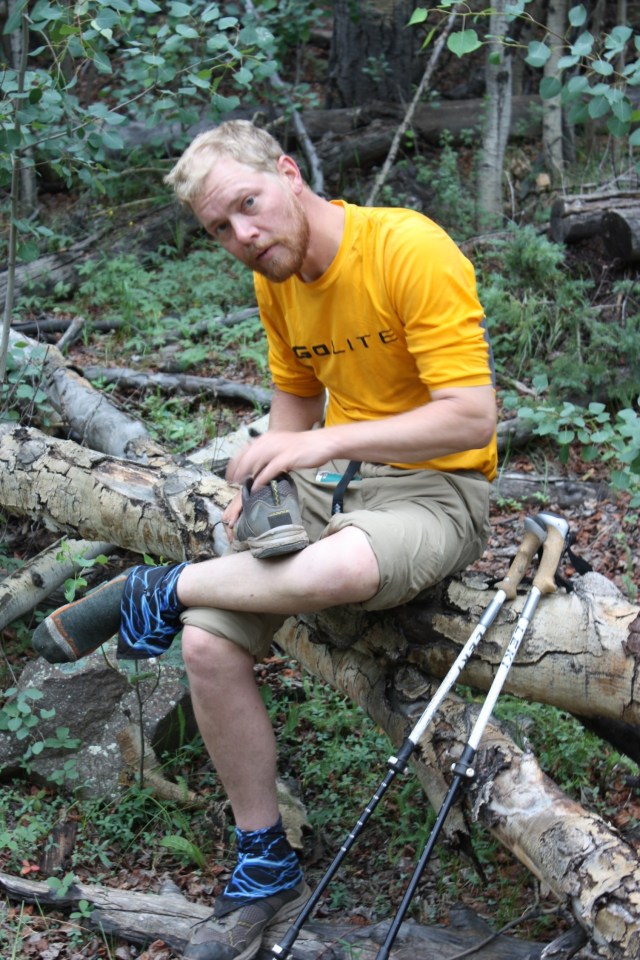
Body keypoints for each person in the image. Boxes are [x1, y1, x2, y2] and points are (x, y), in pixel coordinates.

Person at [35, 119, 498, 960]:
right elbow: (295, 405)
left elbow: (471, 413)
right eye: (220, 228)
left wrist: (325, 444)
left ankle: (159, 590)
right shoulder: (276, 278)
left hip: (439, 486)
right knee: (209, 649)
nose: (242, 237)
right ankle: (263, 863)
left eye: (248, 206)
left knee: (343, 565)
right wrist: (262, 484)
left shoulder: (407, 248)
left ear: (288, 172)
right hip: (336, 486)